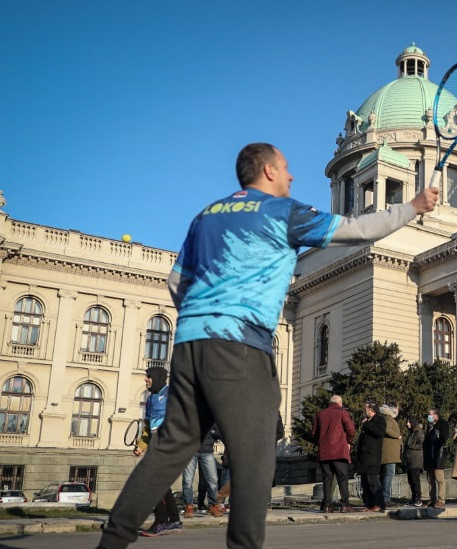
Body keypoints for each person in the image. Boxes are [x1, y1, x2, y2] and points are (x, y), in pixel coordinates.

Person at [96, 143, 438, 549]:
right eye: (287, 168)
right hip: (241, 346)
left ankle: (112, 541)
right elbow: (361, 229)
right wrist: (414, 205)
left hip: (189, 345)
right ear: (268, 171)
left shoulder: (206, 216)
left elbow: (176, 282)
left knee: (169, 449)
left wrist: (204, 317)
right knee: (256, 457)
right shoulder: (283, 212)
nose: (292, 176)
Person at [136, 367, 183, 537]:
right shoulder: (150, 399)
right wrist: (141, 445)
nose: (146, 379)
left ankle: (161, 521)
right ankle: (174, 520)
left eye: (148, 377)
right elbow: (148, 428)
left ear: (156, 377)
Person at [312, 395, 355, 513]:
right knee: (342, 477)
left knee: (327, 478)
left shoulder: (320, 414)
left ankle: (327, 505)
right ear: (340, 402)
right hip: (339, 450)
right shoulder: (342, 412)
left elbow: (314, 433)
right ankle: (345, 504)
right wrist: (348, 441)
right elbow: (350, 429)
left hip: (324, 452)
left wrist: (321, 443)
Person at [181, 423, 222, 519]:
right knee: (187, 480)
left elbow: (218, 432)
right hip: (189, 451)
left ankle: (213, 506)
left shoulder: (210, 416)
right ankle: (188, 506)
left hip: (207, 451)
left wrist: (212, 433)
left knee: (213, 480)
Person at [357, 402, 387, 512]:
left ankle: (379, 504)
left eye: (366, 409)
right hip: (364, 456)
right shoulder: (368, 421)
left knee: (373, 480)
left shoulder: (379, 419)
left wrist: (367, 424)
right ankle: (369, 504)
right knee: (365, 482)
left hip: (372, 456)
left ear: (371, 409)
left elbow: (380, 432)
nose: (364, 411)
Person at [422, 408, 449, 508]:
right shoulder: (429, 426)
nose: (429, 416)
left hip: (438, 455)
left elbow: (444, 438)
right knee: (430, 480)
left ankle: (441, 500)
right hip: (429, 456)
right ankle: (432, 499)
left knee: (439, 479)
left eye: (430, 414)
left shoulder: (442, 424)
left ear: (436, 415)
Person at [379, 404, 403, 506]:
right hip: (390, 453)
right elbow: (387, 430)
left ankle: (383, 497)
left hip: (389, 453)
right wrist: (397, 436)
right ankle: (385, 498)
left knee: (386, 474)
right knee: (389, 474)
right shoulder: (388, 419)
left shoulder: (385, 418)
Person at [403, 417, 425, 507]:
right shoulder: (411, 433)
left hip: (416, 459)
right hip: (409, 460)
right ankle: (413, 498)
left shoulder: (418, 432)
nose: (407, 423)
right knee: (411, 480)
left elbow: (421, 444)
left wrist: (412, 446)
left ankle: (418, 499)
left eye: (408, 421)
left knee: (415, 480)